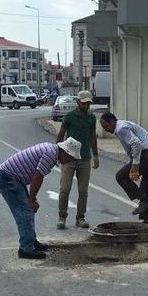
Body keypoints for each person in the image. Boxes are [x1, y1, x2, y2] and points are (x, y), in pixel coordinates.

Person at [0, 138, 82, 259]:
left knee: (28, 210)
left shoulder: (51, 150)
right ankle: (26, 249)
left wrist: (32, 199)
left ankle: (31, 241)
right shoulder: (51, 154)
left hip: (13, 178)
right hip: (8, 178)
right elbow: (37, 178)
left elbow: (36, 178)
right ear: (65, 152)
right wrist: (31, 200)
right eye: (71, 157)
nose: (70, 161)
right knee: (24, 212)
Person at [99, 113, 148, 224]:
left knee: (120, 176)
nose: (105, 129)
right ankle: (146, 221)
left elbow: (136, 144)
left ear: (112, 121)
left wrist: (135, 165)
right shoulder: (124, 125)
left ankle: (144, 200)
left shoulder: (120, 129)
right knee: (146, 187)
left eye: (106, 126)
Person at [55, 90, 99, 230]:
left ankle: (80, 217)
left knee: (83, 191)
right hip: (69, 158)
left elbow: (93, 137)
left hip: (85, 158)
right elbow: (61, 134)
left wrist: (96, 155)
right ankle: (62, 216)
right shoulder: (69, 117)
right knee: (65, 188)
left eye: (88, 103)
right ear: (78, 102)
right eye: (84, 103)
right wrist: (57, 153)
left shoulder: (91, 118)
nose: (86, 106)